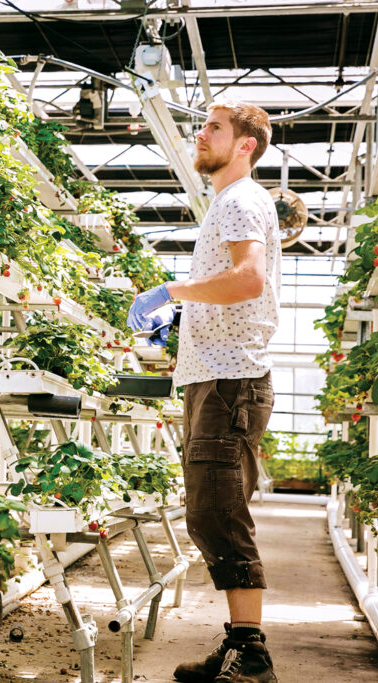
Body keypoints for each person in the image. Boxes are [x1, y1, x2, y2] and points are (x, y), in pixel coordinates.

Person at [127, 101, 280, 683]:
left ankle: (253, 655)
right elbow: (236, 286)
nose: (201, 133)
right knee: (210, 512)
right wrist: (185, 316)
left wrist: (173, 290)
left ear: (245, 144)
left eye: (214, 127)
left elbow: (248, 280)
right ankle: (240, 642)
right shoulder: (229, 203)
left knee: (218, 512)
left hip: (228, 380)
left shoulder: (240, 200)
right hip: (215, 377)